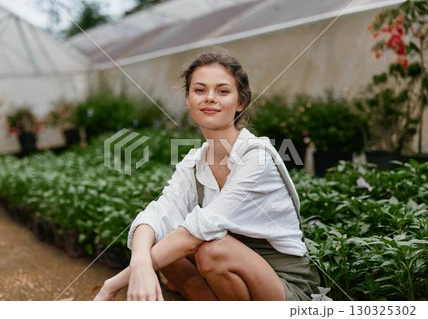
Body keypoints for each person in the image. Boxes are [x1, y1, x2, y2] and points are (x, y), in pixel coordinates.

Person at [93, 49, 320, 301]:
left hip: (285, 286)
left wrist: (113, 285)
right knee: (164, 243)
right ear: (188, 100)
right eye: (200, 90)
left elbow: (196, 233)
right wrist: (140, 263)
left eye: (222, 91)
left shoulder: (257, 156)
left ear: (241, 102)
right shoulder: (194, 162)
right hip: (233, 278)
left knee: (212, 251)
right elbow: (156, 215)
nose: (210, 98)